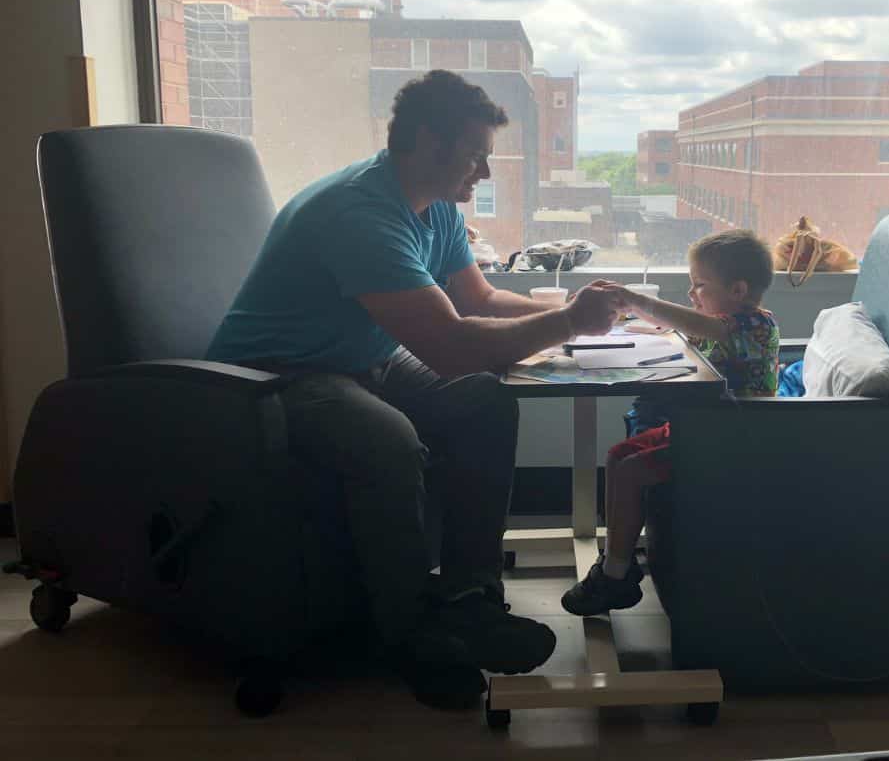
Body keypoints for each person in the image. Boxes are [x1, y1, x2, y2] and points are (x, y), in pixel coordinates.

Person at [206, 70, 623, 708]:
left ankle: (469, 599)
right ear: (430, 142)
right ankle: (410, 635)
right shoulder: (360, 211)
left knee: (484, 400)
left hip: (363, 359)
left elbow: (477, 299)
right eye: (476, 154)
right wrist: (565, 323)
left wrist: (569, 311)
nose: (483, 172)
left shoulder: (434, 207)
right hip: (276, 377)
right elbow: (451, 346)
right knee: (387, 438)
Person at [561, 230, 780, 616]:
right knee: (618, 456)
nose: (693, 294)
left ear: (738, 290)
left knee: (631, 471)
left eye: (700, 285)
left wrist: (638, 299)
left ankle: (615, 576)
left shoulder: (755, 327)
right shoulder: (721, 323)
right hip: (698, 429)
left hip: (734, 439)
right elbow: (688, 329)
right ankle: (617, 563)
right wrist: (638, 317)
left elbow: (701, 327)